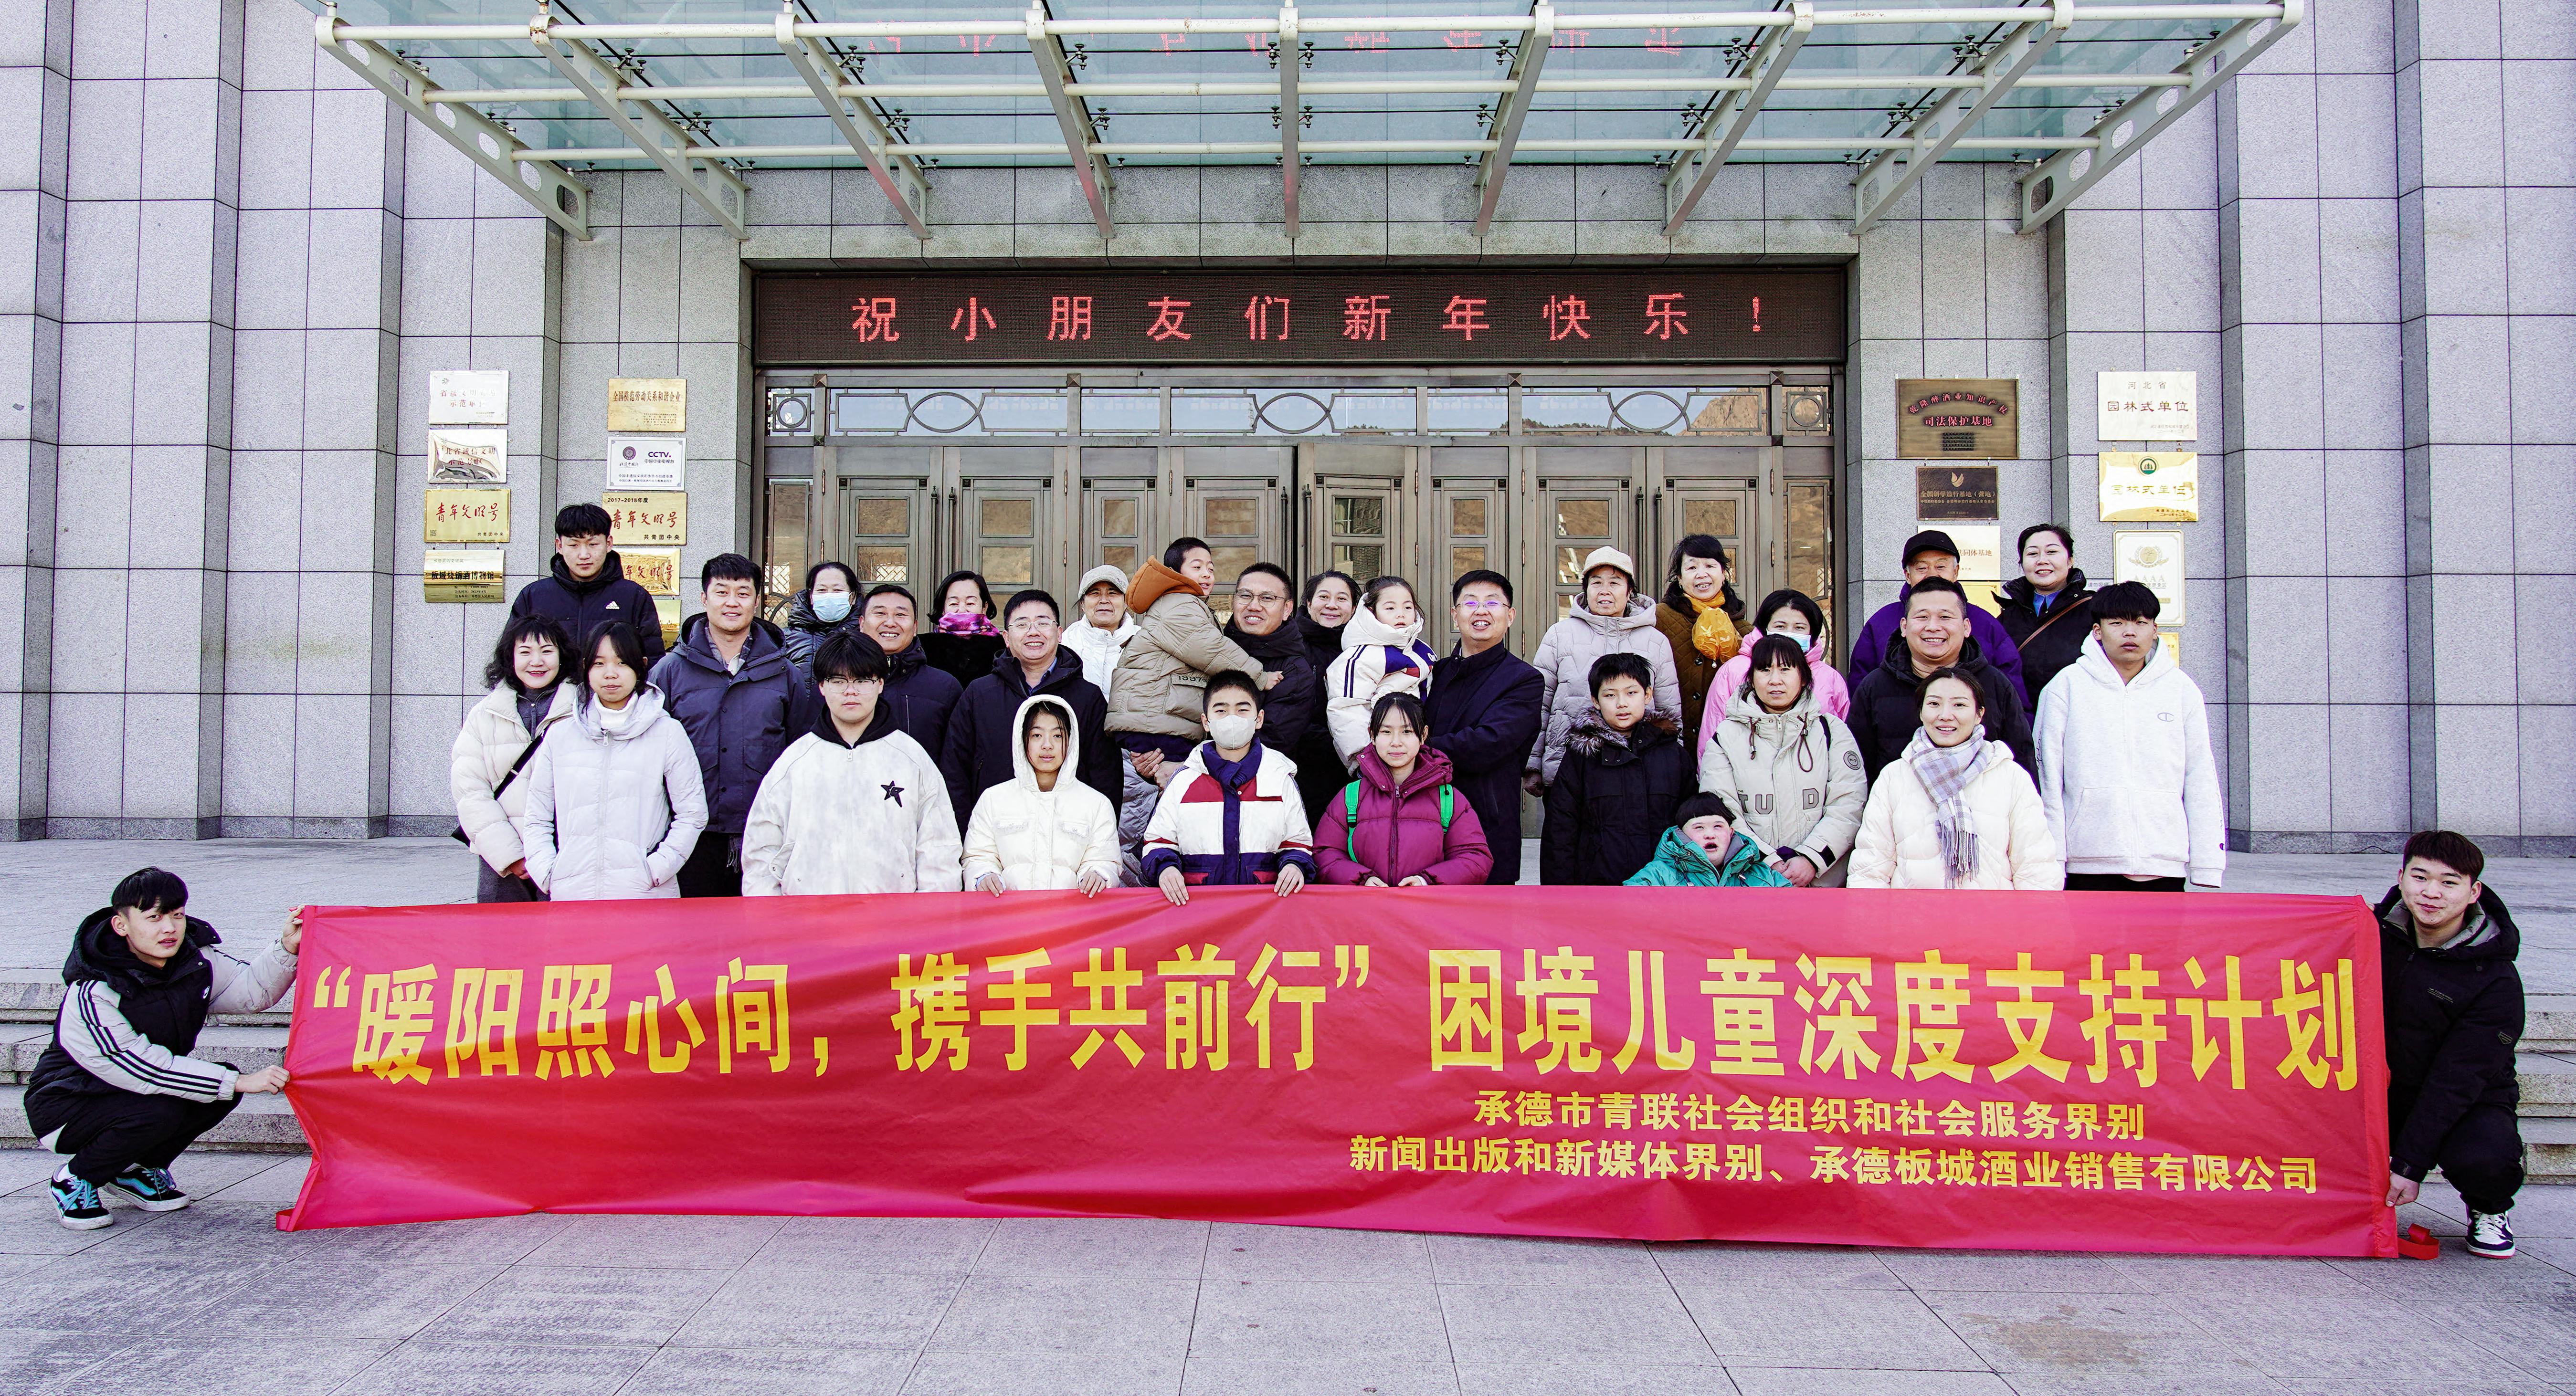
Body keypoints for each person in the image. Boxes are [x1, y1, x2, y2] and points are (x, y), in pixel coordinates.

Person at [22, 868, 299, 1229]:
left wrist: (287, 948)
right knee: (179, 1100)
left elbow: (252, 990)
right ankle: (76, 1178)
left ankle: (133, 1171)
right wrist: (237, 1080)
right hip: (67, 1104)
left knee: (213, 1093)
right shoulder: (93, 989)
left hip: (135, 1094)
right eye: (153, 918)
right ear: (122, 925)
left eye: (177, 915)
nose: (169, 928)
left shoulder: (195, 961)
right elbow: (139, 1067)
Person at [2377, 831, 2523, 1260]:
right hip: (2378, 1087)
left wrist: (2409, 1164)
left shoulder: (2495, 978)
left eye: (2449, 882)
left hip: (2465, 1099)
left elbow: (2457, 1080)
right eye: (2420, 877)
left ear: (2473, 891)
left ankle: (2489, 1208)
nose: (2431, 892)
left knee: (2485, 1156)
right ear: (2401, 877)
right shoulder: (2369, 934)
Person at [649, 554, 823, 898]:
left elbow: (801, 751)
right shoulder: (669, 671)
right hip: (687, 836)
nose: (732, 602)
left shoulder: (784, 673)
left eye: (743, 593)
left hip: (765, 831)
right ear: (704, 598)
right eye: (722, 592)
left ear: (757, 601)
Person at [2034, 582, 2223, 891]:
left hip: (2163, 860)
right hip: (2088, 861)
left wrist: (2207, 863)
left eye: (2140, 623)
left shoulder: (2181, 690)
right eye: (2117, 623)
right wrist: (2053, 859)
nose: (2130, 633)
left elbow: (2200, 775)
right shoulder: (2066, 687)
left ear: (2155, 630)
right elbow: (2049, 778)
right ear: (2098, 631)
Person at [741, 630, 962, 896]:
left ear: (880, 684)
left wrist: (930, 913)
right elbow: (761, 851)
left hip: (894, 915)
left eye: (862, 680)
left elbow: (939, 850)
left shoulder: (911, 758)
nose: (851, 692)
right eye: (838, 681)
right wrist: (770, 911)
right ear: (822, 686)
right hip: (807, 913)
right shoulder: (795, 762)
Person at [1109, 539, 1273, 859]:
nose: (1207, 573)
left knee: (1174, 797)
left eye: (1211, 568)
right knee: (1174, 798)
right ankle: (1140, 859)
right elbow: (1212, 651)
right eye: (1197, 567)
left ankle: (1149, 856)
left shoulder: (1184, 604)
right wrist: (1259, 676)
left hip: (1156, 721)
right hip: (1155, 723)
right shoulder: (1179, 604)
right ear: (1175, 573)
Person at [520, 622, 707, 901]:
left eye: (622, 663)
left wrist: (656, 870)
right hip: (573, 894)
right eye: (599, 663)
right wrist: (547, 871)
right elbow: (537, 816)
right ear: (586, 667)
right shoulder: (560, 735)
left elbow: (692, 814)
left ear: (641, 666)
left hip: (645, 894)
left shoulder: (667, 732)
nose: (610, 674)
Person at [1847, 668, 2060, 890]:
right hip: (1912, 911)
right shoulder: (1895, 776)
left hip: (1992, 912)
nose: (1945, 715)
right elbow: (1870, 868)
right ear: (1921, 712)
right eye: (1934, 704)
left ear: (1979, 714)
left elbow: (2036, 869)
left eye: (1959, 705)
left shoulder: (2011, 776)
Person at [942, 588, 1119, 829]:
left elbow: (1106, 777)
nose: (1033, 632)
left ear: (1059, 634)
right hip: (994, 833)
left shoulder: (1088, 697)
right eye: (1022, 624)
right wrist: (968, 834)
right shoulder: (979, 694)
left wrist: (1097, 836)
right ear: (1006, 638)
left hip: (1069, 834)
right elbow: (955, 770)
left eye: (1043, 623)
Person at [1699, 634, 1868, 887]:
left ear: (1804, 677)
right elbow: (1721, 810)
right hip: (1753, 881)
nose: (1775, 680)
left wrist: (1811, 859)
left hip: (1825, 882)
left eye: (1786, 669)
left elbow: (1849, 803)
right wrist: (1768, 862)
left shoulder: (1831, 731)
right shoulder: (1726, 737)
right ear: (1751, 678)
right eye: (1765, 670)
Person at [1141, 671, 1316, 903]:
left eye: (1242, 710)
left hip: (1262, 908)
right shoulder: (1184, 780)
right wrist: (1166, 868)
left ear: (1259, 719)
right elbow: (1158, 841)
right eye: (1221, 711)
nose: (1232, 718)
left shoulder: (1279, 778)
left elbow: (1298, 843)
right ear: (1206, 722)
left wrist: (1295, 866)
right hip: (1197, 909)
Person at [1846, 578, 2035, 784]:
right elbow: (1856, 775)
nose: (1933, 627)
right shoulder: (1874, 687)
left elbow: (2022, 766)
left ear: (1966, 627)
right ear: (1904, 626)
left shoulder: (1996, 685)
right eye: (1922, 617)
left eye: (1945, 617)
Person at [1426, 570, 1545, 886]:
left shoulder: (1524, 679)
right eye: (1470, 603)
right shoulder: (1435, 673)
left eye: (1492, 603)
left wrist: (1417, 750)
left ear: (1510, 616)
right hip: (1425, 817)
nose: (1481, 611)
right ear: (1455, 615)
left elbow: (1489, 743)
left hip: (1488, 822)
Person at [1529, 546, 1683, 787]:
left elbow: (1669, 711)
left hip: (1639, 768)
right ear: (1586, 590)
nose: (1605, 591)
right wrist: (1532, 763)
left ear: (1629, 591)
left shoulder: (1655, 641)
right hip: (1568, 766)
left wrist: (1675, 764)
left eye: (1614, 583)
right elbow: (1539, 703)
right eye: (1596, 583)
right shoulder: (1560, 635)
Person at [451, 613, 577, 903]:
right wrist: (510, 855)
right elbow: (470, 791)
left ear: (562, 656)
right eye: (525, 652)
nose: (537, 662)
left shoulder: (583, 711)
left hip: (564, 856)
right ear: (510, 658)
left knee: (564, 930)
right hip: (503, 862)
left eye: (547, 651)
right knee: (501, 930)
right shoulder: (484, 715)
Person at [1541, 653, 1690, 886]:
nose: (1622, 703)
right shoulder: (1582, 756)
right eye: (1610, 695)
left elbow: (1692, 822)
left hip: (1665, 884)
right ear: (1596, 701)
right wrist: (1558, 892)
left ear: (1647, 695)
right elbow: (1561, 827)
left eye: (1631, 693)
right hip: (1598, 884)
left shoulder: (1672, 753)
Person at [1314, 693, 1493, 887]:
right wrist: (1362, 880)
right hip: (1366, 905)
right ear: (1372, 735)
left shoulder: (1448, 799)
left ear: (1423, 735)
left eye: (1407, 731)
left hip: (1425, 906)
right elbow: (1325, 853)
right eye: (1386, 732)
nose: (1396, 742)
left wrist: (1426, 881)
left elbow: (1475, 858)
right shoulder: (1351, 797)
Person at [963, 694, 1123, 896]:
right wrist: (983, 875)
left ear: (1071, 741)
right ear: (1023, 740)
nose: (1047, 745)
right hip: (1009, 914)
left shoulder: (1096, 804)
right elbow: (978, 857)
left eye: (1058, 736)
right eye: (1037, 735)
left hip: (1071, 914)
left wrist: (1098, 873)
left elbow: (1105, 860)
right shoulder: (993, 799)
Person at [1847, 530, 2025, 705]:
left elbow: (2012, 696)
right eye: (1922, 568)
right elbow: (1860, 691)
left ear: (1956, 572)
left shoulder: (1986, 623)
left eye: (1941, 567)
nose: (1932, 574)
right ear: (1908, 576)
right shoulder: (1880, 623)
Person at [509, 502, 665, 669]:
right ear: (560, 546)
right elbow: (512, 655)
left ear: (609, 544)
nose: (584, 555)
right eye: (574, 545)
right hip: (552, 687)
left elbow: (652, 659)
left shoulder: (633, 596)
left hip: (613, 685)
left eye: (593, 544)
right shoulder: (534, 596)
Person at [1701, 588, 1850, 746]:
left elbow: (1843, 738)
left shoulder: (1830, 677)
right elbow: (1713, 734)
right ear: (1764, 628)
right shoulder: (1734, 670)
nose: (1788, 634)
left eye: (1799, 628)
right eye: (1780, 626)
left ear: (1812, 633)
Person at [1325, 576, 1438, 769]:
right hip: (1378, 757)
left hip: (1417, 754)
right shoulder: (1359, 657)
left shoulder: (1422, 650)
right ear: (1372, 611)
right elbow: (1346, 712)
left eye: (1408, 607)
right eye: (1390, 608)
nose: (1401, 615)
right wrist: (1367, 762)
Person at [1652, 534, 1744, 752]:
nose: (1702, 574)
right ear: (1680, 578)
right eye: (1692, 568)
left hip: (1725, 747)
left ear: (1724, 574)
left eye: (1710, 566)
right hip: (1668, 745)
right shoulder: (1658, 619)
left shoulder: (1743, 629)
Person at [1225, 563, 1322, 765]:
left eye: (1267, 598)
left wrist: (1194, 763)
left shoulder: (1293, 671)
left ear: (1287, 609)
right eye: (1245, 596)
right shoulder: (1211, 651)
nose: (1254, 606)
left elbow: (1270, 745)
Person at [858, 583, 964, 759]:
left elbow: (957, 759)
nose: (890, 623)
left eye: (900, 615)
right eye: (880, 613)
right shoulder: (838, 682)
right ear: (862, 623)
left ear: (915, 627)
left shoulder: (945, 687)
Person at [1997, 525, 2096, 701]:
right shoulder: (2007, 617)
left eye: (2052, 552)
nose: (2042, 560)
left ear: (2070, 561)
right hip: (2020, 715)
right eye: (2033, 554)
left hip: (2076, 710)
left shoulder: (2095, 610)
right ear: (2022, 564)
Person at [1292, 569, 1360, 823]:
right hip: (1298, 763)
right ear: (1309, 603)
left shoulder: (1362, 649)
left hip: (1349, 767)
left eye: (1342, 599)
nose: (1332, 605)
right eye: (1324, 597)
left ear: (1354, 609)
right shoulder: (1289, 643)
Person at [1626, 794, 1793, 888]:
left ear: (1731, 833)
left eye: (1718, 826)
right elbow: (1627, 908)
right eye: (1699, 828)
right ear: (1681, 835)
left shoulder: (1764, 876)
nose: (1710, 835)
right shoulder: (1659, 875)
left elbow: (1794, 912)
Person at [924, 569, 1006, 687]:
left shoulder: (1004, 649)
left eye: (970, 603)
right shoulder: (923, 647)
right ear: (943, 609)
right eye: (954, 604)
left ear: (985, 607)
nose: (962, 610)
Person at [1063, 564, 1135, 699]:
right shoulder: (1066, 643)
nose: (1104, 601)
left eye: (1112, 593)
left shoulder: (1143, 641)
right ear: (1083, 604)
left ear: (1126, 602)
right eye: (1095, 593)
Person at [782, 560, 860, 678]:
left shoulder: (866, 637)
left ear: (852, 597)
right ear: (811, 597)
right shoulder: (785, 640)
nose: (829, 596)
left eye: (838, 590)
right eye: (822, 590)